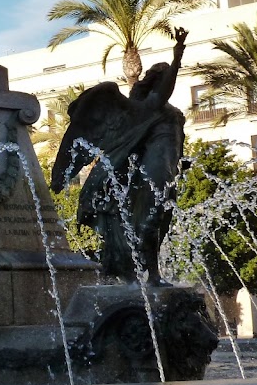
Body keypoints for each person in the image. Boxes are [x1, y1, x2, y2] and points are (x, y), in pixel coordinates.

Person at [52, 28, 189, 285]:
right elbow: (164, 92)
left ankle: (149, 274)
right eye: (164, 77)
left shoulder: (168, 110)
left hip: (169, 170)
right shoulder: (149, 106)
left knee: (159, 221)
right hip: (155, 169)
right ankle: (149, 275)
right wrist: (177, 56)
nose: (168, 81)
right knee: (150, 220)